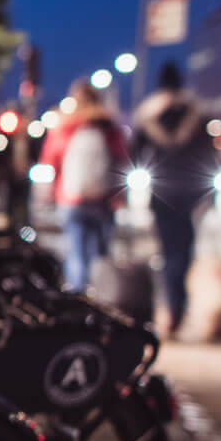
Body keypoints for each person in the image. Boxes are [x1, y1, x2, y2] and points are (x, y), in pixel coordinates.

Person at [132, 62, 215, 335]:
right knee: (185, 250)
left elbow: (135, 154)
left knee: (168, 252)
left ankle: (172, 308)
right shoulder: (195, 113)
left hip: (162, 192)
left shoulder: (148, 115)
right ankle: (179, 308)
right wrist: (210, 196)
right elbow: (210, 155)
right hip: (191, 191)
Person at [40, 79, 128, 293]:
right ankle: (104, 297)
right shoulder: (108, 128)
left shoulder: (65, 127)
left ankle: (79, 299)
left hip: (71, 199)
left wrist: (48, 192)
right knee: (101, 254)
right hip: (103, 199)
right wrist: (120, 195)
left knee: (76, 252)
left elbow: (49, 161)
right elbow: (121, 160)